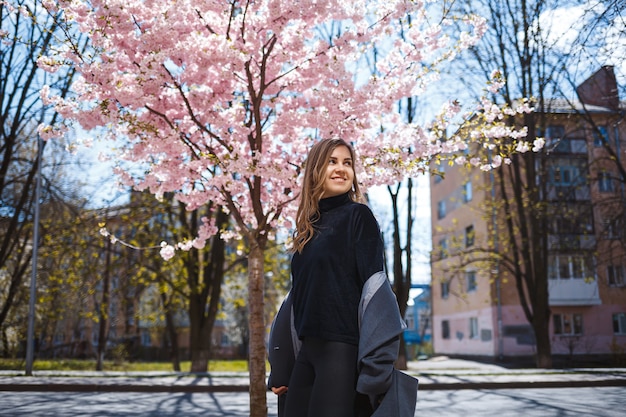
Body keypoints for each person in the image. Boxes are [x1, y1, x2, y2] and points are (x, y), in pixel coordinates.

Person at [268, 138, 418, 417]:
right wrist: (281, 364)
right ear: (315, 170)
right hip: (307, 353)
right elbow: (297, 301)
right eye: (332, 162)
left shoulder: (358, 217)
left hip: (341, 351)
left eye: (347, 163)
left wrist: (377, 367)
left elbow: (376, 292)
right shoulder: (307, 231)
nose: (341, 169)